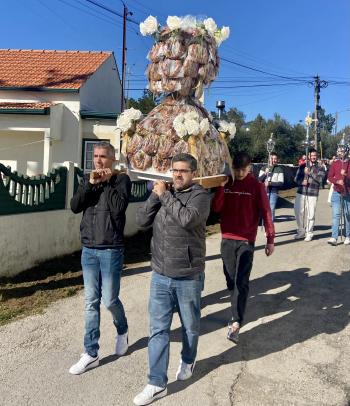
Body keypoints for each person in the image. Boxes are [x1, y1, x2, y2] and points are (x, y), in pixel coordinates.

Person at [133, 153, 210, 406]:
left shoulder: (200, 196)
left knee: (190, 327)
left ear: (193, 173)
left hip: (188, 275)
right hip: (160, 275)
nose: (177, 174)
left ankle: (188, 358)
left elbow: (188, 219)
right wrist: (155, 196)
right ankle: (156, 382)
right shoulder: (163, 193)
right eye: (174, 170)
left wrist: (165, 195)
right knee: (158, 330)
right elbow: (141, 221)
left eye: (183, 171)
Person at [69, 142, 131, 375]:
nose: (98, 160)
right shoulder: (88, 179)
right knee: (90, 302)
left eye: (103, 156)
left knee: (110, 300)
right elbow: (75, 206)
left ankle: (122, 329)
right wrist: (91, 185)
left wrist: (106, 183)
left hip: (111, 249)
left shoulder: (121, 180)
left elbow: (118, 208)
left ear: (113, 159)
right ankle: (91, 352)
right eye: (95, 156)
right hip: (89, 249)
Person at [212, 152, 275, 344]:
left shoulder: (256, 187)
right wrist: (221, 189)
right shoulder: (227, 183)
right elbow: (216, 208)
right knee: (231, 282)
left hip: (246, 241)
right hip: (227, 239)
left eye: (243, 169)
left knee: (241, 282)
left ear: (250, 168)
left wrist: (270, 238)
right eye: (236, 169)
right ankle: (235, 309)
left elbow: (266, 211)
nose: (239, 173)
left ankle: (236, 322)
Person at [293, 148, 325, 242]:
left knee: (311, 214)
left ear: (317, 156)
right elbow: (296, 179)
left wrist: (309, 173)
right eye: (312, 155)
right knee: (298, 212)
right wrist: (302, 182)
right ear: (309, 156)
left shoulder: (320, 167)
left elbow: (320, 180)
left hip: (313, 193)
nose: (313, 157)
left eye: (315, 155)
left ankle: (309, 233)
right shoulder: (302, 166)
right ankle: (301, 231)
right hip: (301, 192)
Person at [327, 147, 350, 246]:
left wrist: (346, 175)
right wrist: (337, 181)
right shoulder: (335, 163)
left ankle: (348, 236)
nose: (341, 153)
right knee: (336, 215)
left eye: (342, 151)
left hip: (347, 192)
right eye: (339, 151)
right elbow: (329, 177)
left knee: (347, 215)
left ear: (346, 151)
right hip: (336, 192)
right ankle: (334, 237)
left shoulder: (349, 163)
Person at [258, 152, 284, 221]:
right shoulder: (264, 168)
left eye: (275, 159)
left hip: (273, 192)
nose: (274, 160)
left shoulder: (279, 169)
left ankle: (270, 228)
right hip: (264, 191)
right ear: (269, 159)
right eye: (272, 158)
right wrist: (265, 173)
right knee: (264, 209)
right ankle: (265, 226)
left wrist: (270, 183)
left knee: (271, 209)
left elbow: (281, 183)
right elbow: (259, 180)